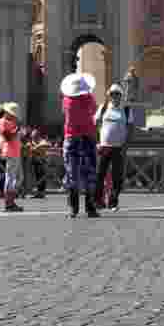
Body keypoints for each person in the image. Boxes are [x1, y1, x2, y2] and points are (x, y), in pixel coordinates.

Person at [61, 72, 99, 218]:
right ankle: (90, 208)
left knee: (72, 174)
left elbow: (64, 113)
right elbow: (94, 111)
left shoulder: (66, 100)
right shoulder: (89, 98)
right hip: (88, 137)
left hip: (71, 137)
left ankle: (73, 208)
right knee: (90, 173)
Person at [95, 83, 131, 211]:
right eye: (112, 94)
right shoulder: (103, 107)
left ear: (121, 96)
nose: (115, 96)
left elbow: (130, 128)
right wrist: (97, 142)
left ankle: (113, 202)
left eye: (117, 94)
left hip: (118, 148)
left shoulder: (126, 109)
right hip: (104, 146)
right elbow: (95, 124)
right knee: (99, 175)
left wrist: (126, 145)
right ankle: (98, 201)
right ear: (109, 96)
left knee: (117, 177)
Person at [0, 103, 23, 213]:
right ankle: (8, 203)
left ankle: (11, 201)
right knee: (10, 178)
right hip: (10, 152)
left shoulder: (12, 122)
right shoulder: (2, 121)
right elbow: (7, 136)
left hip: (16, 152)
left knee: (17, 178)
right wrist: (17, 129)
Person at [27, 129, 50, 198]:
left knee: (41, 176)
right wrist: (35, 148)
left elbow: (47, 144)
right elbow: (27, 147)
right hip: (32, 163)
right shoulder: (30, 142)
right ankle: (34, 192)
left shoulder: (42, 140)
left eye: (35, 135)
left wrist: (35, 148)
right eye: (33, 136)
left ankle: (41, 192)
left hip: (41, 162)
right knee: (33, 178)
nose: (34, 137)